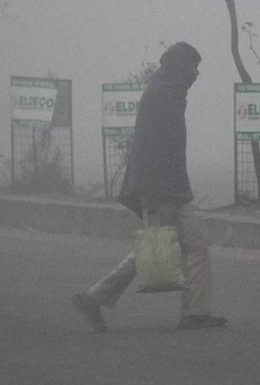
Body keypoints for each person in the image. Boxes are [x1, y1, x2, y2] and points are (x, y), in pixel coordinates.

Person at [72, 42, 226, 331]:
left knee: (194, 247)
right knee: (151, 250)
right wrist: (151, 194)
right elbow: (151, 149)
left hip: (175, 187)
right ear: (180, 66)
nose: (196, 74)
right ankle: (93, 298)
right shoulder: (161, 95)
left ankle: (196, 312)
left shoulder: (168, 92)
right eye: (193, 67)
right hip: (159, 188)